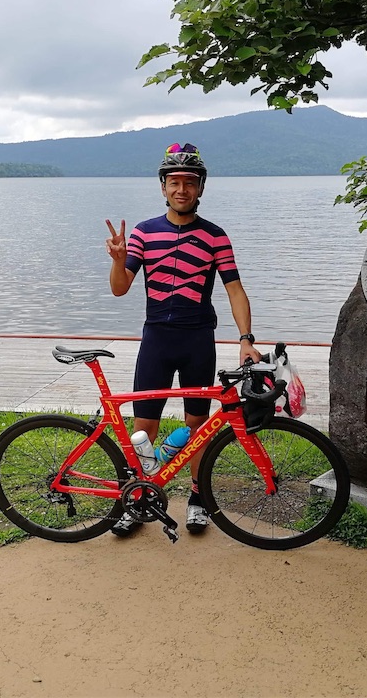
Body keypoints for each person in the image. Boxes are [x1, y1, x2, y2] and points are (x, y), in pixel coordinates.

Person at [105, 142, 262, 536]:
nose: (181, 189)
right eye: (173, 182)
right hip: (156, 338)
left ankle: (197, 497)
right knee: (145, 426)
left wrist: (245, 339)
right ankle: (137, 497)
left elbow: (235, 290)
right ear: (163, 187)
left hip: (197, 339)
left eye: (189, 183)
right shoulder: (143, 232)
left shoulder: (215, 236)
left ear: (200, 188)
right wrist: (117, 260)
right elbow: (120, 289)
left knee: (197, 425)